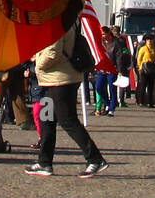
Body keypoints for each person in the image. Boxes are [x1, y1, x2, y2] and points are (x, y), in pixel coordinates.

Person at [24, 21, 108, 178]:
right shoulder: (59, 20)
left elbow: (53, 52)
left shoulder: (54, 22)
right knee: (46, 118)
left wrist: (37, 64)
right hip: (52, 80)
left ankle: (95, 158)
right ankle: (44, 162)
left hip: (60, 80)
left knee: (67, 120)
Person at [135, 34, 155, 107]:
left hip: (151, 69)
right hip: (144, 69)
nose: (150, 41)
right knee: (142, 85)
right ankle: (141, 101)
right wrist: (139, 68)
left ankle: (150, 102)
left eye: (151, 39)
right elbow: (139, 59)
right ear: (145, 41)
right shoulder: (143, 48)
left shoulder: (154, 49)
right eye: (148, 39)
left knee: (151, 86)